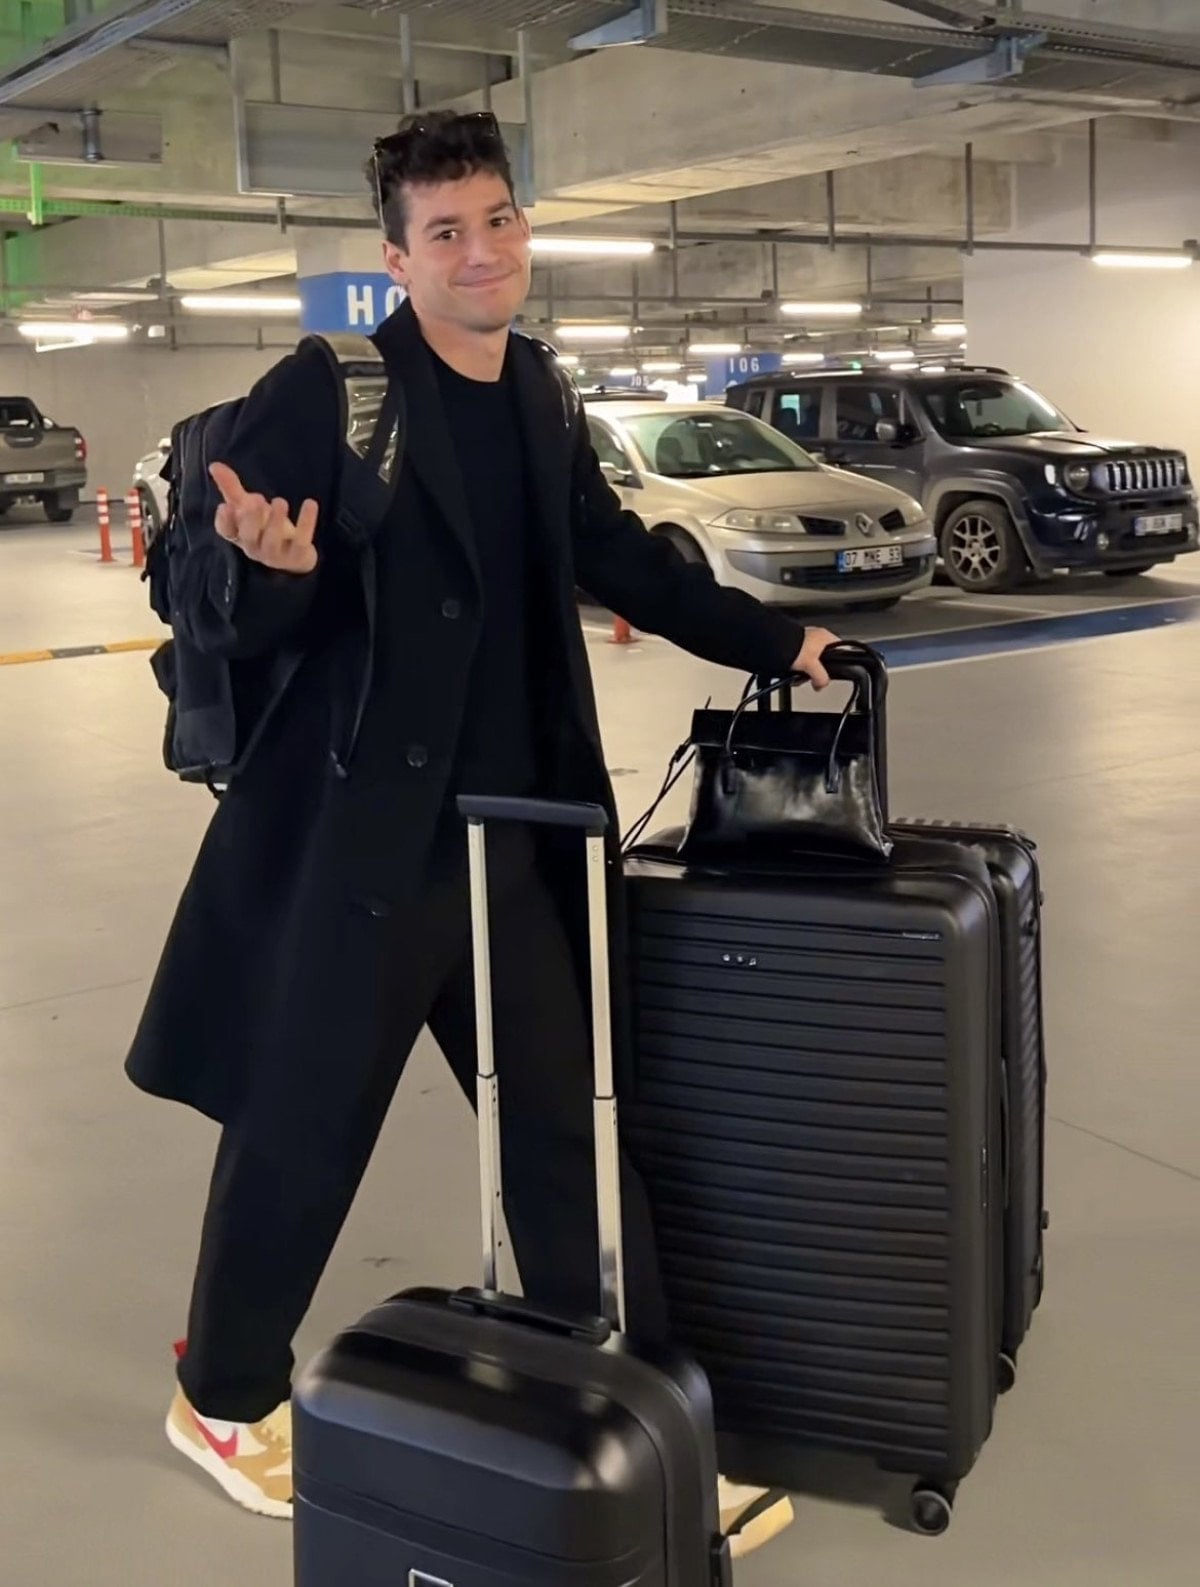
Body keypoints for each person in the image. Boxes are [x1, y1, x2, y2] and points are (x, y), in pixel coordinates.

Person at [125, 109, 837, 1556]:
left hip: (516, 834)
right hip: (361, 843)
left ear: (523, 228)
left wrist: (776, 638)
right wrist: (273, 570)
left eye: (497, 220)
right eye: (444, 232)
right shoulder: (328, 390)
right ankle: (222, 1398)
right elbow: (203, 591)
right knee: (302, 1125)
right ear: (396, 257)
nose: (480, 252)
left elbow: (613, 553)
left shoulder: (540, 387)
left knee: (567, 1127)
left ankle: (619, 1409)